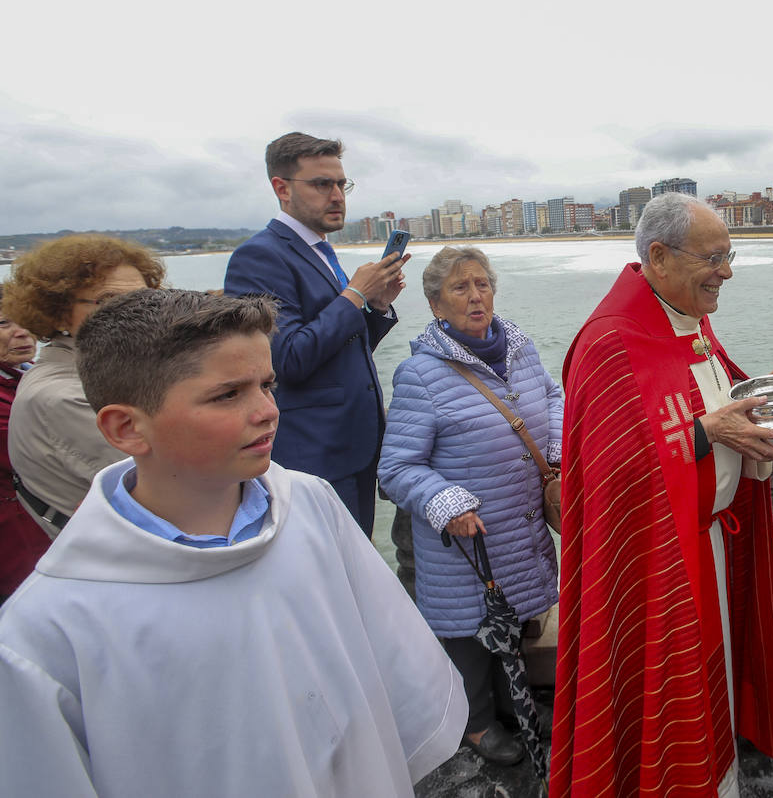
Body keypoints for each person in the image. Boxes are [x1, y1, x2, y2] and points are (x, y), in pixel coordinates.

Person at [0, 289, 467, 797]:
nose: (267, 411)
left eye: (267, 385)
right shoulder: (47, 630)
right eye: (228, 395)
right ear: (127, 427)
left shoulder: (309, 504)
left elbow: (394, 663)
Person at [551, 192, 773, 797]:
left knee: (713, 683)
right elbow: (608, 471)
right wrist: (707, 432)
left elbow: (695, 402)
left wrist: (752, 400)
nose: (728, 272)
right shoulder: (610, 342)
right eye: (714, 258)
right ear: (659, 256)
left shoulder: (688, 320)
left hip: (705, 542)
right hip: (655, 563)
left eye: (729, 254)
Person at [379, 247, 563, 767]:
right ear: (436, 304)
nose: (475, 295)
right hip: (468, 540)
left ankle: (514, 704)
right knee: (470, 635)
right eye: (460, 288)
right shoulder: (420, 374)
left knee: (515, 622)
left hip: (521, 526)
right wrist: (444, 499)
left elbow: (553, 396)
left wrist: (556, 443)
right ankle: (476, 723)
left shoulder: (520, 349)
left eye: (482, 283)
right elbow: (396, 468)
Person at [224, 132, 409, 537]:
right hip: (314, 457)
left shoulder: (319, 252)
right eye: (323, 184)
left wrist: (375, 307)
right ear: (282, 188)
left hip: (354, 449)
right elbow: (286, 359)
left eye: (342, 184)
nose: (338, 195)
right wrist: (354, 294)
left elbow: (344, 351)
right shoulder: (259, 256)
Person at [3, 235, 164, 537]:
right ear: (59, 311)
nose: (137, 314)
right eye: (109, 302)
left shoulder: (105, 372)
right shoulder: (63, 397)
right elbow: (168, 488)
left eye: (146, 301)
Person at [0, 293, 49, 603]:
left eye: (26, 320)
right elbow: (30, 455)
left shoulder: (28, 376)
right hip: (15, 539)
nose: (22, 332)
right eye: (4, 323)